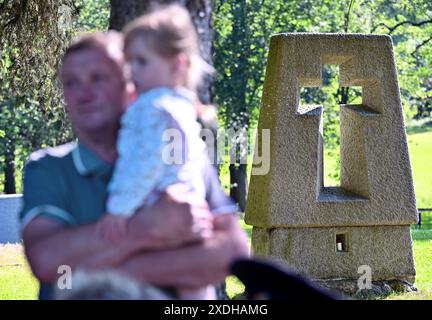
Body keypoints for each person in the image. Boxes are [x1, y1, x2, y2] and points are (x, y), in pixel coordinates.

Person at [19, 30, 249, 300]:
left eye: (98, 78)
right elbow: (47, 261)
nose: (83, 93)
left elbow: (232, 254)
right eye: (71, 83)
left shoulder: (181, 160)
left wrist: (93, 261)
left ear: (131, 87)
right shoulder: (49, 169)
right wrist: (147, 228)